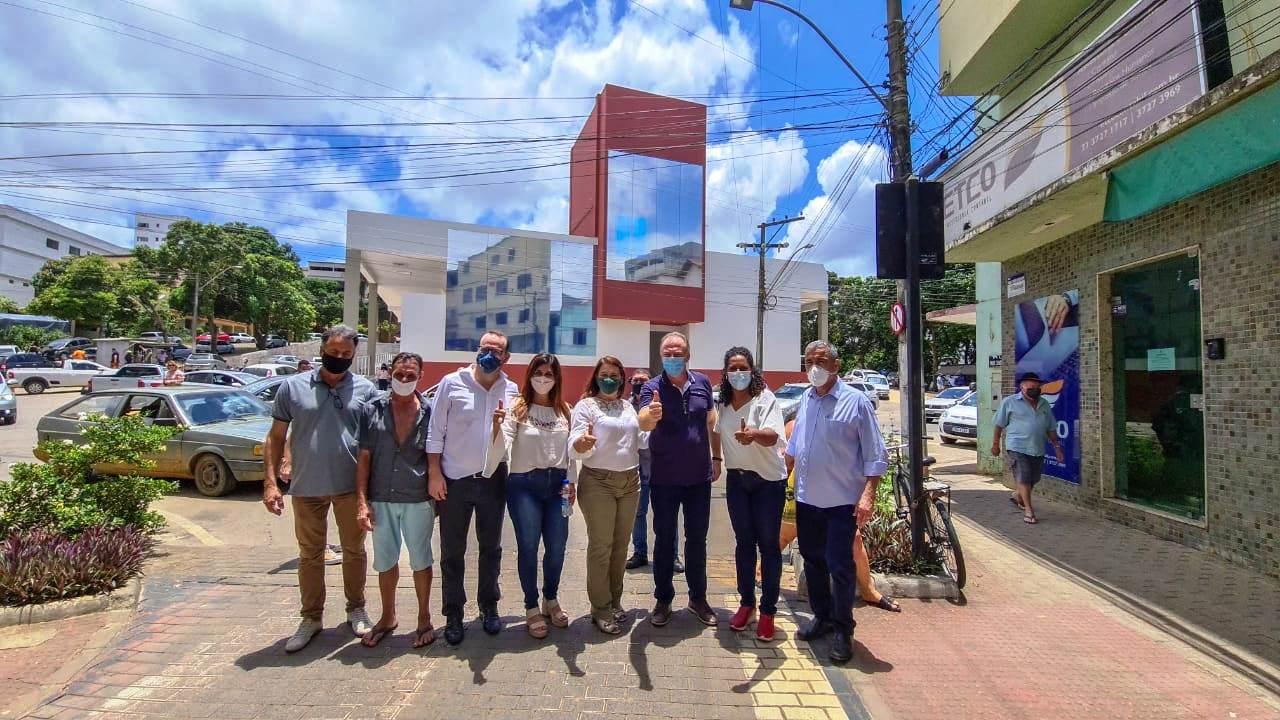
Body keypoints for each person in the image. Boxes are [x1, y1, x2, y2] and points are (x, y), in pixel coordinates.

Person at [262, 325, 378, 653]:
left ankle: (356, 609)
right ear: (322, 348)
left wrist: (370, 493)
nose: (339, 358)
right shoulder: (292, 387)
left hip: (349, 487)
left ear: (354, 356)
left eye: (346, 355)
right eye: (334, 352)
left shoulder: (366, 390)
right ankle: (311, 618)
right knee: (310, 555)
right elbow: (275, 437)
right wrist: (271, 483)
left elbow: (373, 443)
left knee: (354, 551)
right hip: (306, 487)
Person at [786, 340, 887, 664]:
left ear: (836, 365)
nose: (814, 367)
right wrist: (781, 471)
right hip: (807, 499)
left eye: (820, 361)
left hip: (841, 503)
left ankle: (844, 629)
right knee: (813, 563)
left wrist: (868, 494)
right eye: (808, 361)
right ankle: (823, 617)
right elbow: (797, 443)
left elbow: (875, 454)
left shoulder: (856, 402)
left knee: (840, 567)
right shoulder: (807, 398)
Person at [427, 331, 519, 646]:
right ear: (477, 350)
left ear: (506, 357)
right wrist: (434, 473)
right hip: (454, 480)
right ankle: (453, 613)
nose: (489, 354)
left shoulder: (511, 389)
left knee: (491, 549)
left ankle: (488, 605)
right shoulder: (452, 383)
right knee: (452, 552)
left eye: (497, 350)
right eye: (485, 348)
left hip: (493, 479)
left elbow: (512, 434)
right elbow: (435, 432)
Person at [487, 353, 574, 639]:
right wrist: (497, 427)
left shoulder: (565, 410)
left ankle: (551, 597)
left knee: (558, 547)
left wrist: (571, 483)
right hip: (524, 484)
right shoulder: (518, 408)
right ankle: (531, 606)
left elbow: (571, 455)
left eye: (550, 374)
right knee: (528, 547)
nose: (544, 378)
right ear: (530, 375)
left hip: (557, 486)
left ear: (557, 378)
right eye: (539, 372)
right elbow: (502, 446)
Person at [355, 352, 436, 649]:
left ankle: (424, 618)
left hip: (417, 497)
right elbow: (363, 458)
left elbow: (435, 454)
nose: (404, 380)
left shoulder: (431, 411)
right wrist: (361, 502)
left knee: (421, 559)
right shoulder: (371, 409)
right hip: (381, 497)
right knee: (386, 560)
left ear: (420, 376)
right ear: (390, 374)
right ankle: (387, 617)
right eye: (399, 374)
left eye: (410, 375)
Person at [638, 332, 718, 628]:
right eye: (668, 352)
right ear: (661, 356)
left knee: (697, 540)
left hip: (699, 478)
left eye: (678, 351)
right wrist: (652, 415)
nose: (673, 356)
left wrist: (717, 458)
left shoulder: (703, 383)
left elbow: (712, 422)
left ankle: (698, 598)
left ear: (688, 354)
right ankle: (663, 599)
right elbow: (643, 419)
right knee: (664, 539)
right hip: (665, 478)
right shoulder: (651, 387)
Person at [715, 347, 786, 642]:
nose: (738, 373)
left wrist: (753, 435)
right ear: (725, 372)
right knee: (744, 544)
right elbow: (716, 430)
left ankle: (768, 611)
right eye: (732, 368)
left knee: (768, 546)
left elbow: (773, 437)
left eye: (743, 368)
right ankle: (747, 603)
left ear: (752, 370)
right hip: (737, 482)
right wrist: (715, 459)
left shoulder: (765, 399)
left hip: (768, 482)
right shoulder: (723, 402)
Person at [569, 355, 643, 634]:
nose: (609, 378)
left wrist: (653, 424)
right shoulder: (586, 406)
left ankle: (615, 600)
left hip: (630, 481)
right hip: (598, 481)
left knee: (621, 546)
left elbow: (639, 439)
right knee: (602, 546)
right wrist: (582, 442)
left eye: (614, 374)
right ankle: (600, 607)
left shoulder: (627, 407)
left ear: (622, 379)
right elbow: (575, 443)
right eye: (604, 374)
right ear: (596, 377)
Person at [992, 371, 1064, 525]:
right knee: (1023, 477)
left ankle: (1018, 495)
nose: (1034, 389)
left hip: (1037, 448)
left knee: (1033, 479)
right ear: (1022, 387)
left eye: (1037, 387)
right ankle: (1028, 510)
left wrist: (1057, 447)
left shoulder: (1044, 403)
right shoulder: (1009, 402)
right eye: (1031, 387)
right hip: (1017, 447)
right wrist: (996, 444)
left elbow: (1051, 427)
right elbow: (998, 425)